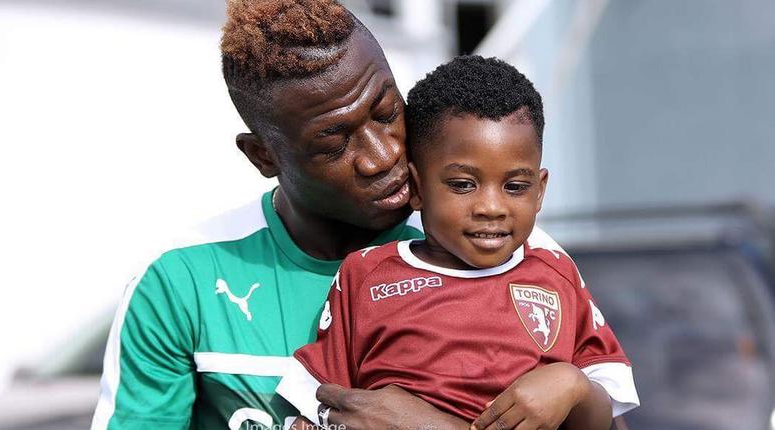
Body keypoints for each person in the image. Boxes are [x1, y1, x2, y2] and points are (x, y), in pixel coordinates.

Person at [91, 1, 608, 429]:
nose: (381, 156)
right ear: (263, 157)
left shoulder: (508, 248)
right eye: (334, 142)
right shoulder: (180, 282)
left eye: (387, 114)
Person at [277, 56, 640, 430]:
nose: (491, 208)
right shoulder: (365, 274)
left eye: (515, 187)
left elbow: (606, 419)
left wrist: (572, 385)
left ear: (540, 190)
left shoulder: (556, 273)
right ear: (417, 189)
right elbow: (324, 401)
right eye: (463, 185)